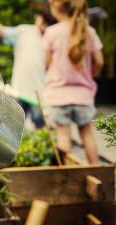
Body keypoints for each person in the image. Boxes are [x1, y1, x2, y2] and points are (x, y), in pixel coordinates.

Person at [43, 0, 104, 164]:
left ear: (56, 7)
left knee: (63, 138)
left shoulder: (51, 32)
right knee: (87, 135)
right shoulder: (89, 31)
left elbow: (47, 64)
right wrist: (89, 74)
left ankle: (64, 178)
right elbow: (99, 61)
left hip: (59, 95)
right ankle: (98, 173)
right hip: (83, 95)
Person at [0, 7, 56, 129]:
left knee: (41, 126)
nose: (42, 23)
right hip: (19, 89)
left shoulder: (52, 37)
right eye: (41, 19)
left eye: (46, 22)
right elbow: (4, 32)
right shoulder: (25, 31)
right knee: (13, 126)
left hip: (39, 92)